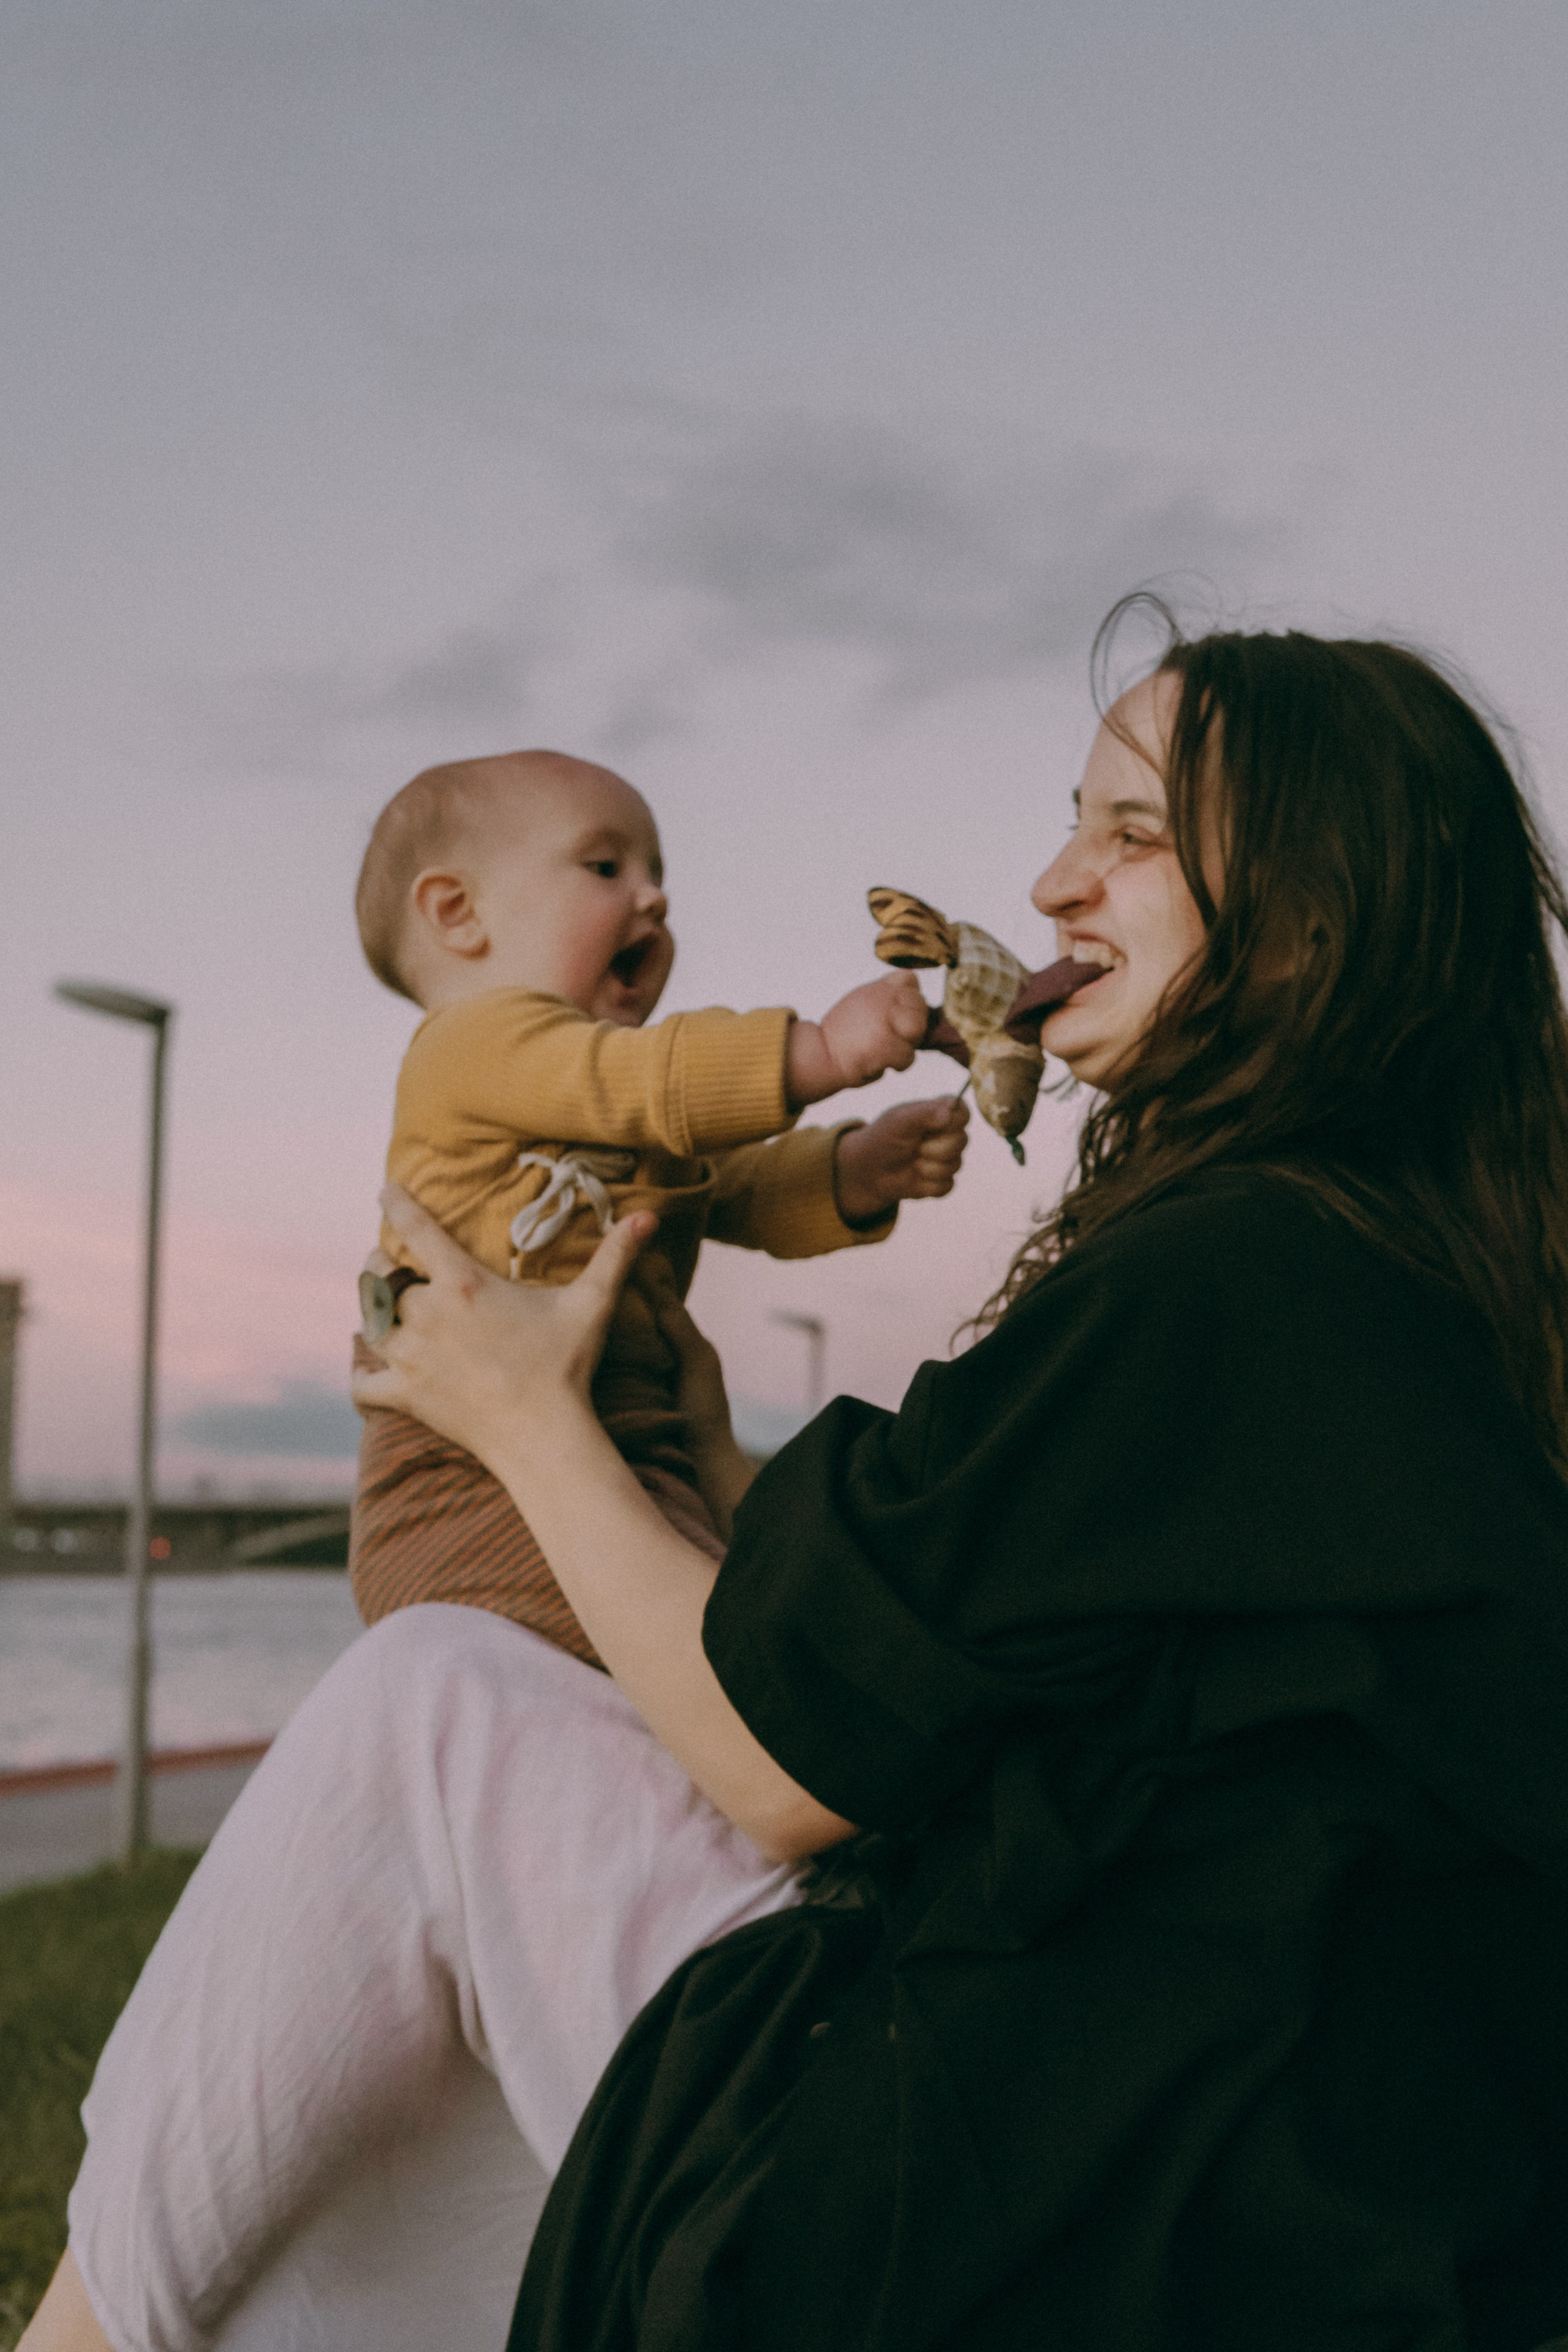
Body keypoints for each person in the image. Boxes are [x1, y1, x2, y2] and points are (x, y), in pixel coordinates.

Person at [27, 609, 1568, 2351]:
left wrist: (522, 1412)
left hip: (1032, 2226)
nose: (1056, 879)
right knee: (392, 2135)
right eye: (1077, 817)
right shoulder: (1411, 1296)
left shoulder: (1223, 1275)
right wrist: (707, 1452)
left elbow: (781, 1762)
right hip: (1274, 2207)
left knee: (432, 1699)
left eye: (1133, 834)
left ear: (1309, 923)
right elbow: (985, 1651)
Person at [348, 746, 969, 1665]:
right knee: (710, 1671)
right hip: (470, 1485)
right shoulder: (469, 1048)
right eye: (606, 868)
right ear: (458, 914)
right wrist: (822, 1052)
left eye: (659, 874)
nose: (654, 898)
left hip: (633, 1457)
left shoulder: (611, 1099)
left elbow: (733, 1184)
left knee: (737, 1654)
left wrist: (851, 1171)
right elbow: (649, 1083)